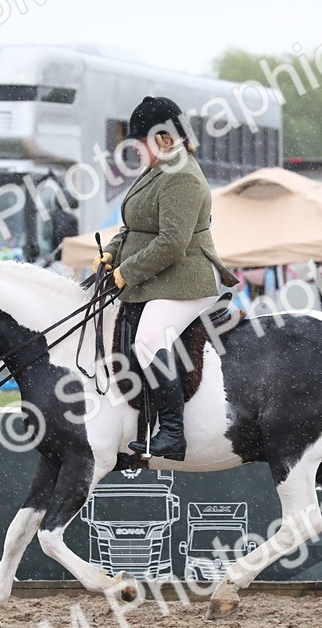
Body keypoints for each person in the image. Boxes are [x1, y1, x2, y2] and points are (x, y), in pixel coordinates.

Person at [95, 96, 238, 460]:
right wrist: (112, 251)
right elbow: (134, 227)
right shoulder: (158, 169)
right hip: (162, 279)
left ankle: (172, 432)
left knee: (148, 340)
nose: (135, 150)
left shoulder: (183, 177)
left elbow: (172, 243)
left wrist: (127, 272)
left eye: (140, 142)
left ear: (163, 138)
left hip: (188, 279)